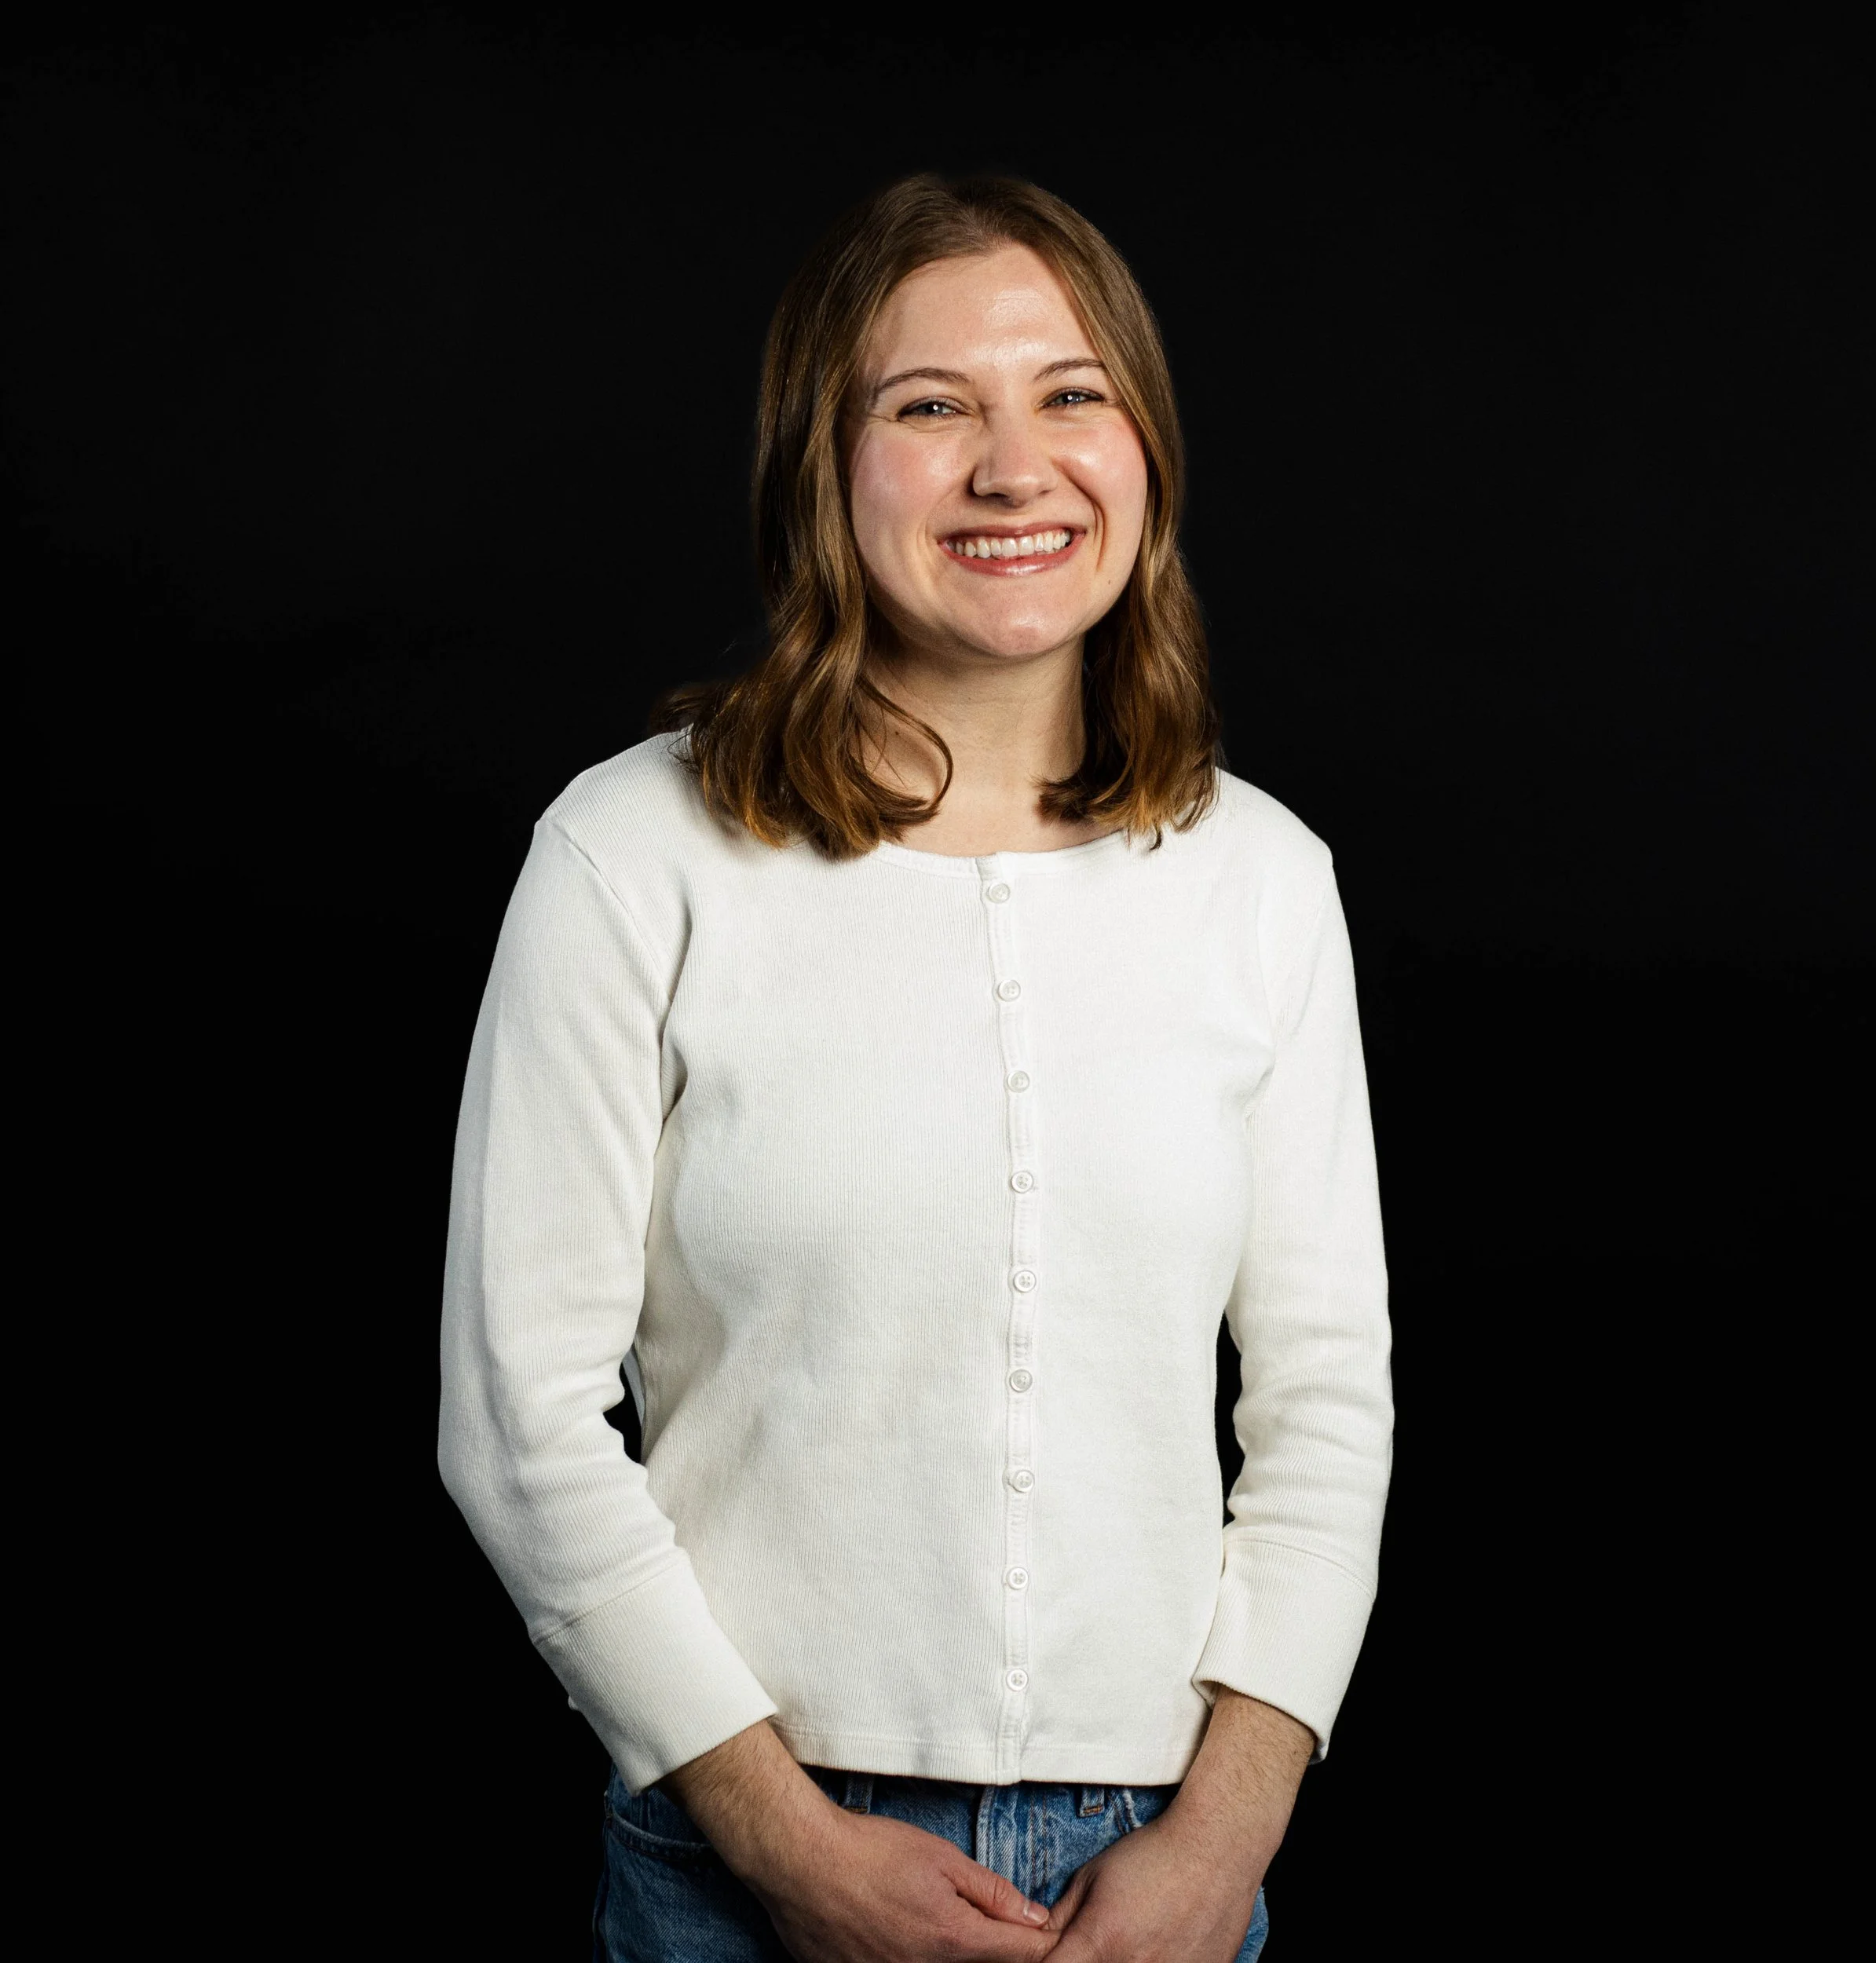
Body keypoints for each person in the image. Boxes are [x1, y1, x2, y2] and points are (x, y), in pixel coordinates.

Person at [438, 172, 1393, 1963]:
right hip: (737, 1857)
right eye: (932, 405)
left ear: (1143, 448)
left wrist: (1222, 1840)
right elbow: (515, 1415)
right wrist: (780, 1841)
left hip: (1161, 1865)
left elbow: (1327, 1404)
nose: (1014, 468)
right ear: (824, 465)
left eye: (1070, 393)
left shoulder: (1259, 877)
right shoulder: (631, 854)